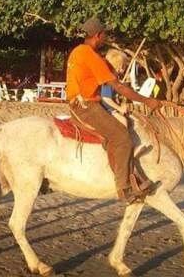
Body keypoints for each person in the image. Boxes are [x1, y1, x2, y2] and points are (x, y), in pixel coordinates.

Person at [66, 17, 162, 204]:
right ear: (98, 35)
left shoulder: (78, 51)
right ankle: (124, 187)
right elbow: (118, 87)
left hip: (83, 103)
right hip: (86, 106)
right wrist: (147, 101)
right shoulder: (91, 56)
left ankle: (131, 174)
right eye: (105, 35)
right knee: (122, 137)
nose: (106, 38)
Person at [100, 49, 129, 127]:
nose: (125, 67)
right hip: (107, 109)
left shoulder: (114, 79)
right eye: (125, 65)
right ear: (120, 67)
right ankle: (123, 139)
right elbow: (106, 98)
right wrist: (119, 108)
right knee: (123, 121)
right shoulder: (110, 79)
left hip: (110, 108)